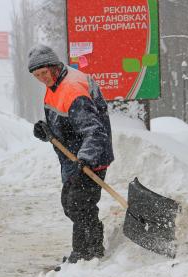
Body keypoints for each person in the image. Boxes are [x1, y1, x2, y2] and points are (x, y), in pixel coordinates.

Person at [28, 44, 114, 264]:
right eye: (37, 76)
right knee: (71, 203)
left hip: (89, 157)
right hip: (72, 157)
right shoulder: (55, 84)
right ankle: (91, 246)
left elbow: (94, 131)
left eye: (44, 73)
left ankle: (86, 253)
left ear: (54, 67)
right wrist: (47, 132)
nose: (42, 79)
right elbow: (63, 120)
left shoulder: (73, 89)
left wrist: (85, 159)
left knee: (79, 203)